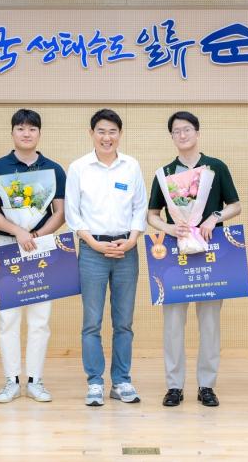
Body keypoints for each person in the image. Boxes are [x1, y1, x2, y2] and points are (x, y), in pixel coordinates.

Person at [147, 111, 241, 408]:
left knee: (210, 323)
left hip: (212, 252)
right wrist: (169, 228)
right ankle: (174, 386)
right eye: (177, 131)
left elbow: (235, 205)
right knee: (173, 323)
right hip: (175, 255)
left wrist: (214, 217)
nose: (182, 135)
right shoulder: (165, 173)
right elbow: (152, 215)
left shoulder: (216, 167)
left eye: (187, 129)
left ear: (197, 133)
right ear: (171, 137)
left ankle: (206, 385)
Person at [0, 109, 66, 403]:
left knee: (40, 318)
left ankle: (35, 380)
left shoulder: (54, 169)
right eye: (20, 128)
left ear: (39, 133)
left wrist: (37, 235)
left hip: (42, 246)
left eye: (32, 129)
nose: (26, 133)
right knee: (8, 318)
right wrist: (17, 231)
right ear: (12, 132)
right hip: (7, 245)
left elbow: (60, 212)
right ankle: (11, 380)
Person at [65, 109, 147, 406]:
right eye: (101, 131)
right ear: (91, 134)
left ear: (120, 134)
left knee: (123, 322)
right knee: (92, 322)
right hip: (92, 251)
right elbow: (73, 213)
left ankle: (122, 381)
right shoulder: (78, 168)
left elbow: (140, 207)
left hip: (127, 249)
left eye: (112, 131)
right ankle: (95, 382)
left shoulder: (131, 166)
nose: (107, 137)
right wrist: (94, 244)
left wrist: (132, 240)